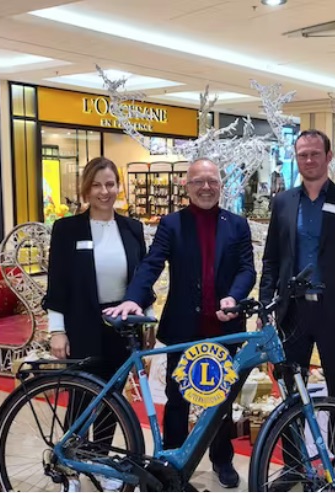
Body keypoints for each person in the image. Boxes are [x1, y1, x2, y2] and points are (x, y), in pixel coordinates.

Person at [105, 158, 256, 488]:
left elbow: (247, 268)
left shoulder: (237, 224)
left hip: (224, 328)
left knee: (222, 401)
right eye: (198, 181)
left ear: (220, 185)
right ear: (186, 187)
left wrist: (234, 296)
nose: (206, 187)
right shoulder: (172, 224)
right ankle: (171, 464)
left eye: (212, 181)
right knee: (177, 398)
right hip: (183, 329)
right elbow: (152, 263)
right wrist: (134, 296)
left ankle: (222, 458)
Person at [259, 129, 335, 488]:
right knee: (291, 394)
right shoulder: (283, 202)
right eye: (302, 155)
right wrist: (266, 307)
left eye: (314, 154)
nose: (308, 160)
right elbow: (272, 261)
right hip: (292, 311)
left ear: (328, 156)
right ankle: (295, 466)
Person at [42, 157, 152, 481]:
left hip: (121, 325)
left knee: (112, 400)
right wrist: (57, 330)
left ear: (118, 186)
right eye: (97, 185)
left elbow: (142, 280)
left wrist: (145, 318)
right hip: (82, 324)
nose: (105, 192)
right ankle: (69, 462)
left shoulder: (132, 228)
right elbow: (57, 284)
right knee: (82, 396)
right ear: (86, 189)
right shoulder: (67, 229)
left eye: (110, 184)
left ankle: (101, 462)